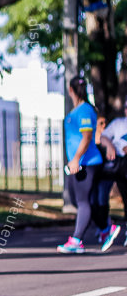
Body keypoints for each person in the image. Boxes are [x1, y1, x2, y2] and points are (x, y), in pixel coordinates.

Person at [57, 76, 103, 254]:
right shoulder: (77, 110)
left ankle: (76, 240)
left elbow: (87, 137)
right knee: (78, 201)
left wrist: (76, 158)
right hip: (78, 163)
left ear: (70, 90)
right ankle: (107, 228)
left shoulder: (84, 110)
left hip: (87, 162)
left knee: (83, 202)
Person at [95, 104, 127, 250]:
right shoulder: (119, 123)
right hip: (116, 164)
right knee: (99, 197)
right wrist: (110, 145)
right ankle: (105, 228)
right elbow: (104, 137)